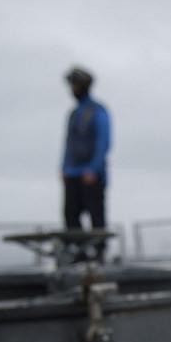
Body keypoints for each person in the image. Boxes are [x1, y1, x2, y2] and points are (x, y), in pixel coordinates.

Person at [60, 66, 111, 261]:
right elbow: (68, 143)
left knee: (96, 214)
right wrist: (64, 167)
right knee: (70, 214)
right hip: (72, 172)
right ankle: (78, 251)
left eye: (74, 85)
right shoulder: (73, 114)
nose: (72, 89)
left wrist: (93, 168)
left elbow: (103, 141)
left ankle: (99, 251)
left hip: (91, 173)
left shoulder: (97, 111)